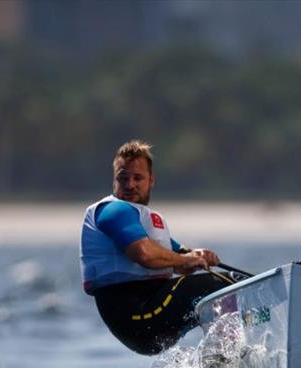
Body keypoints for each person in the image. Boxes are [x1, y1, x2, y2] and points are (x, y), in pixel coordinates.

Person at [80, 140, 231, 355]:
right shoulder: (113, 212)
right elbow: (145, 255)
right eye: (123, 178)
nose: (130, 184)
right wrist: (186, 260)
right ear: (114, 182)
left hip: (154, 312)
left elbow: (178, 259)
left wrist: (198, 256)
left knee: (229, 287)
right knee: (223, 284)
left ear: (151, 181)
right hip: (136, 316)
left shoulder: (146, 219)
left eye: (137, 178)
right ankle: (232, 358)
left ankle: (224, 361)